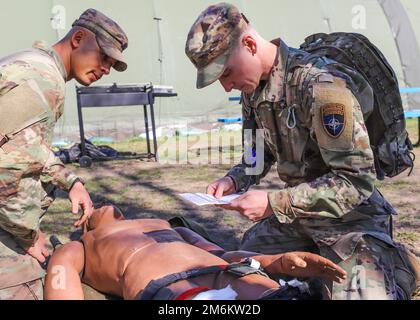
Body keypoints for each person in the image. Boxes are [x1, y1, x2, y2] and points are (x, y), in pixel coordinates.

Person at [185, 2, 418, 299]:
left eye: (226, 72)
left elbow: (356, 181)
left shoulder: (322, 86)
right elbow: (257, 156)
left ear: (249, 44)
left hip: (351, 220)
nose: (226, 86)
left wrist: (273, 202)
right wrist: (233, 180)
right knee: (241, 269)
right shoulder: (252, 92)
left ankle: (401, 264)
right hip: (298, 219)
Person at [0, 8, 128, 300]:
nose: (106, 68)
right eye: (104, 57)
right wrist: (29, 237)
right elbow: (5, 170)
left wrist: (71, 182)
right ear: (78, 38)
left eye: (112, 63)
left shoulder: (32, 65)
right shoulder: (44, 80)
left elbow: (28, 147)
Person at [44, 205, 347, 300]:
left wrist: (275, 263)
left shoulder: (163, 224)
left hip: (228, 273)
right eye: (94, 209)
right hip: (167, 284)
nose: (103, 207)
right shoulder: (84, 243)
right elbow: (62, 272)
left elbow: (221, 253)